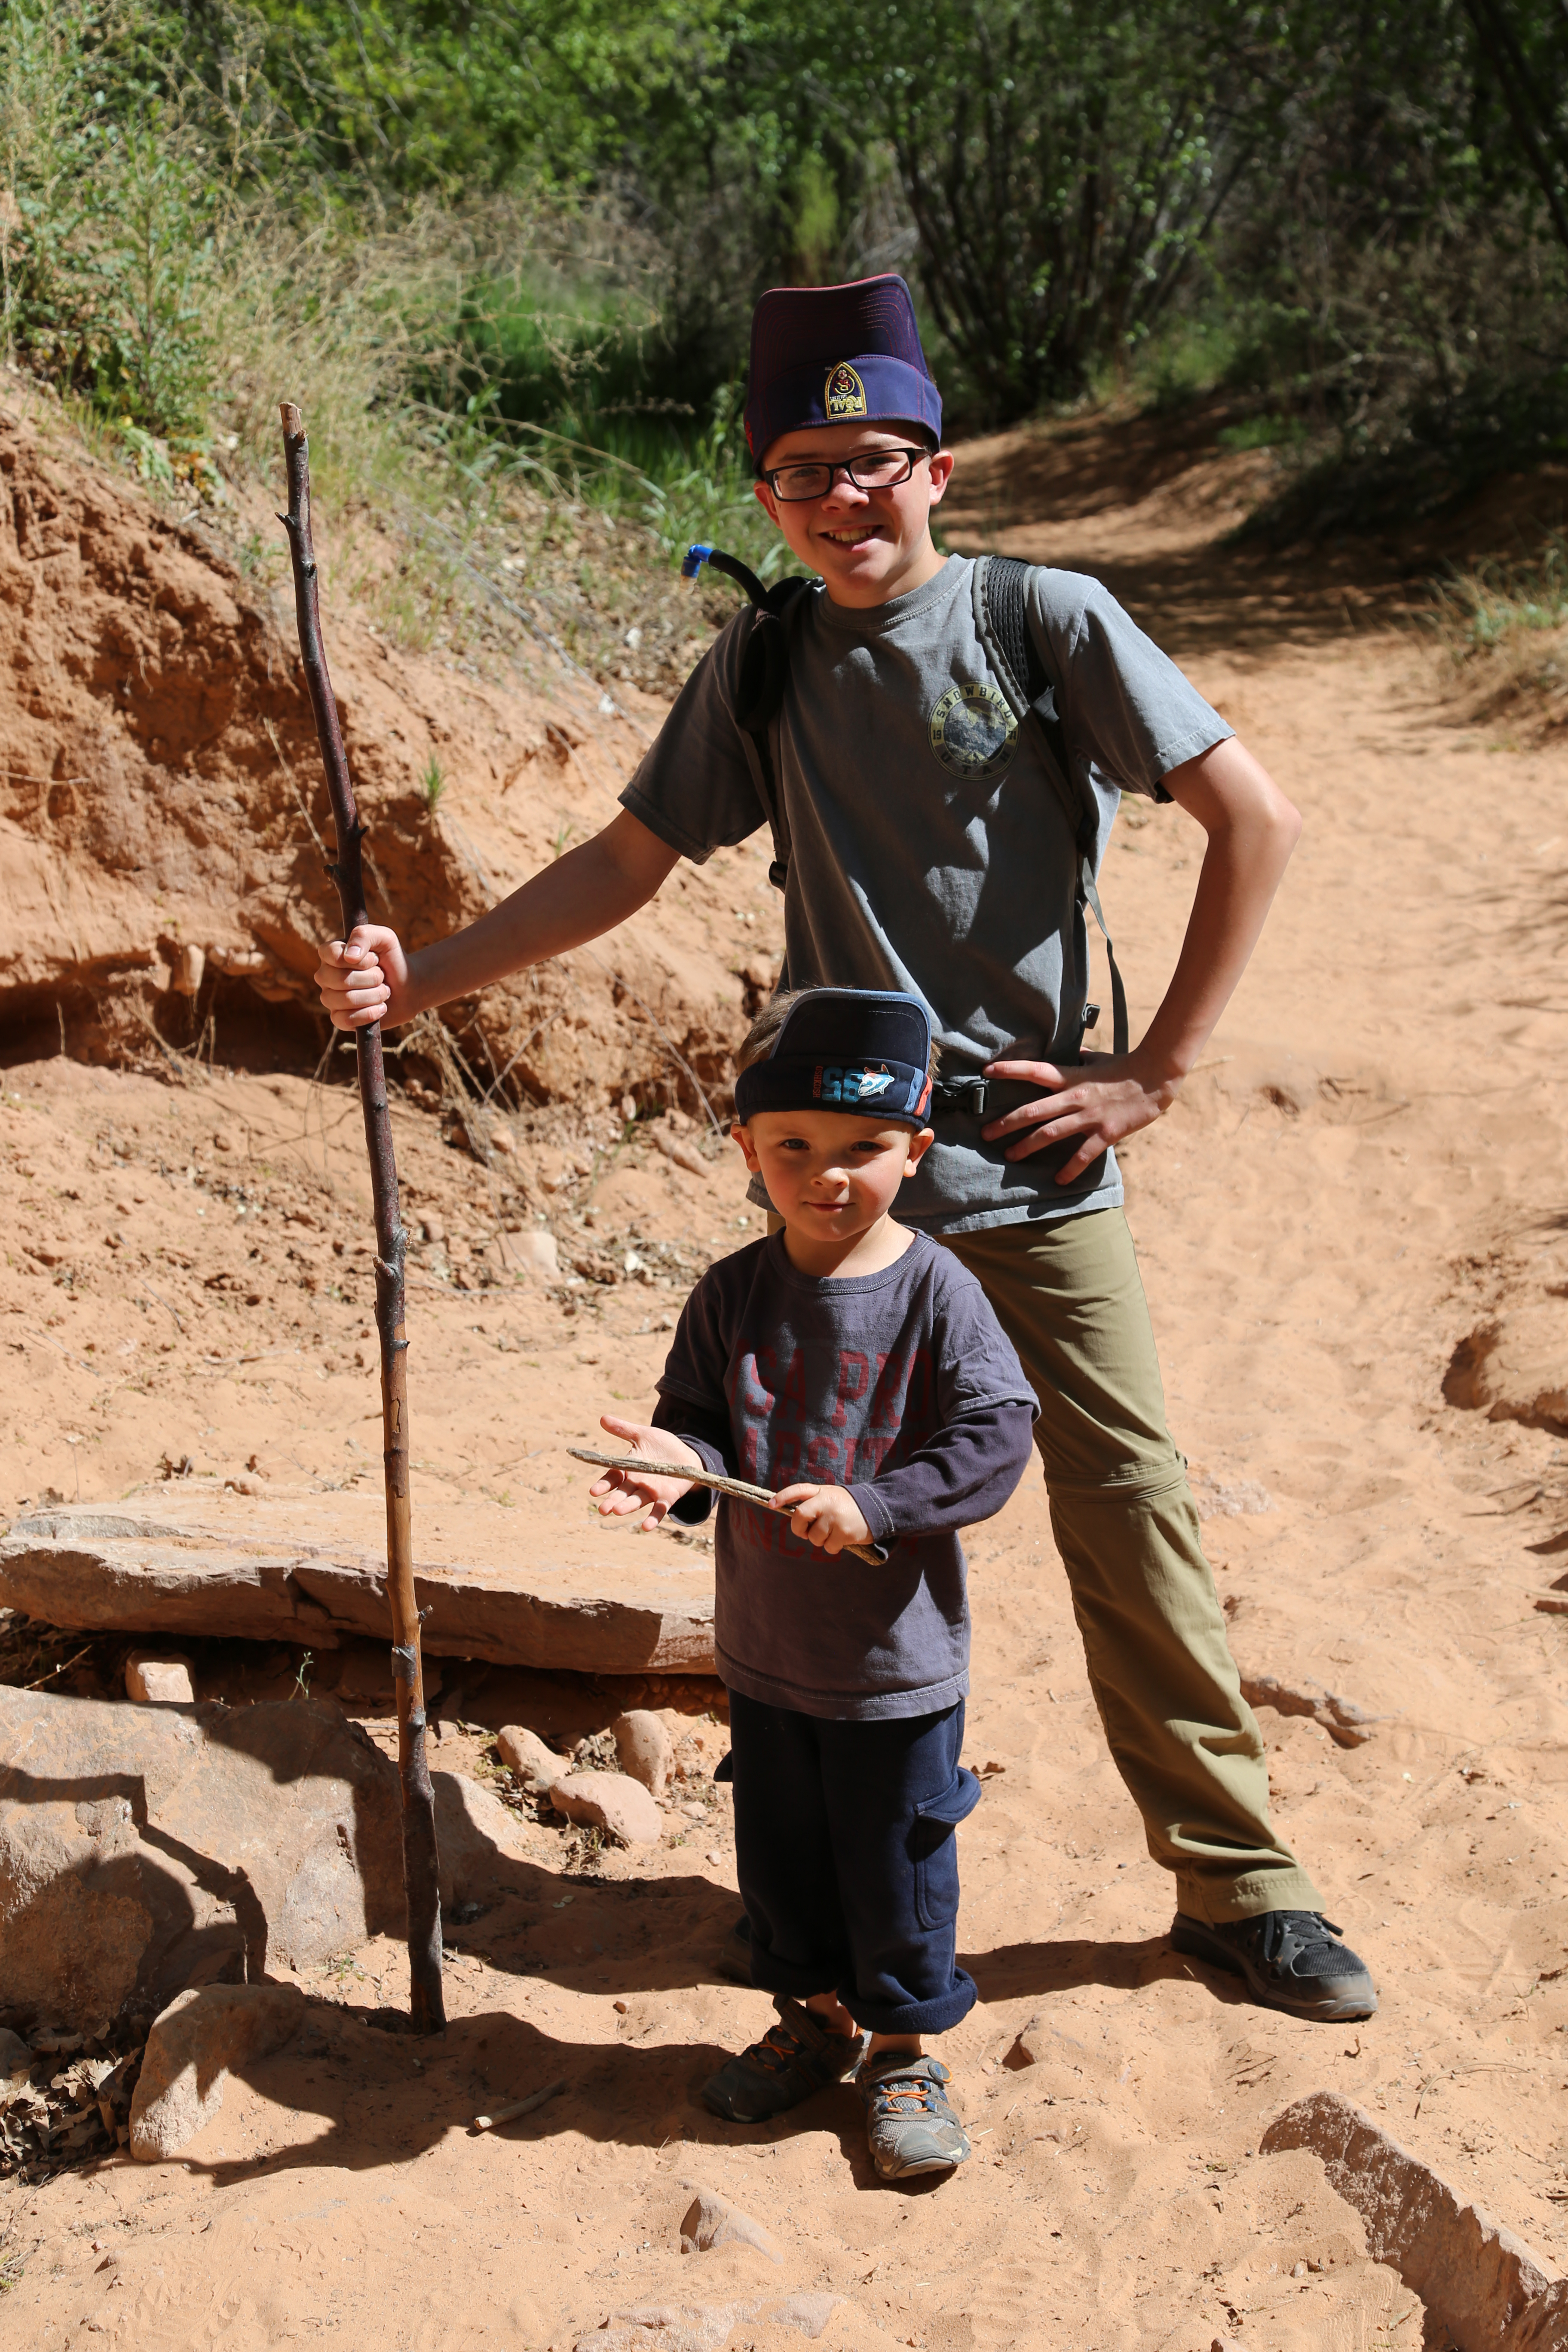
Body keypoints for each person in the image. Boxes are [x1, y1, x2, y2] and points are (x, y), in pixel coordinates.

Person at [315, 272, 1378, 2025]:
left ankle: (1240, 1887)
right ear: (765, 498)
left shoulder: (1045, 623)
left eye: (874, 464)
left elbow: (1250, 818)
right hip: (839, 1202)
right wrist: (416, 981)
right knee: (797, 1537)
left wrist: (1159, 1071)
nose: (842, 502)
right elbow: (623, 865)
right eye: (804, 474)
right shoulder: (764, 660)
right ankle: (821, 1913)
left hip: (1033, 1170)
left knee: (1130, 1518)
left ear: (938, 472)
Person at [586, 985, 1037, 2179]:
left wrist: (876, 1504)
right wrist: (673, 1468)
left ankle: (902, 2052)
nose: (828, 1176)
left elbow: (997, 1435)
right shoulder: (730, 1293)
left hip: (894, 1668)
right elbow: (699, 1432)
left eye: (865, 1151)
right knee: (783, 1859)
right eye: (794, 1147)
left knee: (895, 1863)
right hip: (769, 1657)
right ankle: (816, 2025)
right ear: (745, 1148)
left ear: (918, 1151)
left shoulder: (938, 1292)